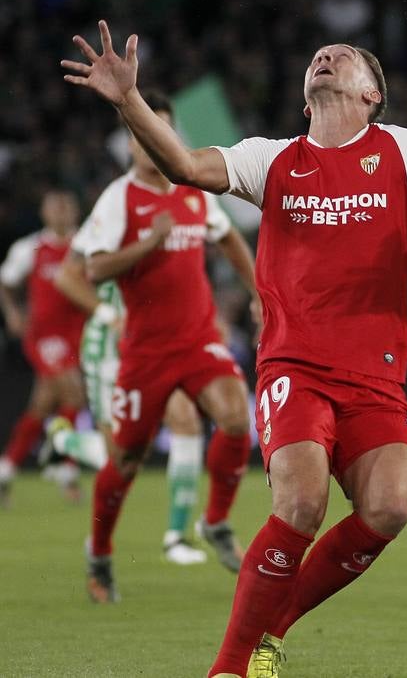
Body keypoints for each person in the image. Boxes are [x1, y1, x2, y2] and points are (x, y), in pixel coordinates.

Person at [61, 21, 407, 678]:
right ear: (308, 98)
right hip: (294, 368)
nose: (327, 55)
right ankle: (228, 667)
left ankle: (273, 624)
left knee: (390, 507)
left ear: (370, 96)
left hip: (377, 378)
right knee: (301, 504)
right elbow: (185, 167)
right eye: (319, 56)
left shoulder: (404, 152)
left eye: (347, 57)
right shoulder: (272, 159)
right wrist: (128, 101)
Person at [58, 86, 259, 603]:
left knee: (236, 417)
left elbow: (228, 237)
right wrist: (149, 241)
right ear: (131, 142)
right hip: (145, 354)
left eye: (163, 130)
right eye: (144, 132)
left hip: (197, 341)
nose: (153, 140)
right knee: (124, 462)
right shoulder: (119, 198)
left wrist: (260, 290)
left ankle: (214, 521)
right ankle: (99, 555)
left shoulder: (193, 189)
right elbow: (92, 267)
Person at [49, 181, 212, 566]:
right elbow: (66, 275)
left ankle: (176, 535)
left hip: (154, 344)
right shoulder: (108, 218)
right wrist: (107, 315)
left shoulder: (169, 215)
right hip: (109, 348)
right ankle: (64, 443)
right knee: (120, 459)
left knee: (186, 420)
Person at [0, 190, 87, 505]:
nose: (62, 213)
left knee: (42, 405)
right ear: (44, 213)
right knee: (73, 395)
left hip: (77, 335)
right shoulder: (31, 248)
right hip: (44, 337)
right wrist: (12, 312)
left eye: (67, 207)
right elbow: (6, 281)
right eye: (56, 208)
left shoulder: (86, 245)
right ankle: (65, 470)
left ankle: (6, 470)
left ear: (75, 212)